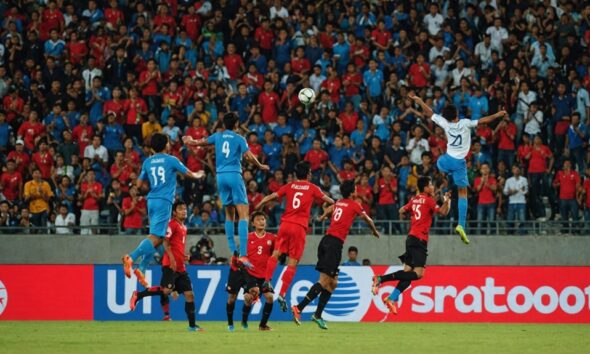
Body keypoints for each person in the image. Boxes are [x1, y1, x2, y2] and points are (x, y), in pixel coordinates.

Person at [408, 92, 506, 243]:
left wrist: (420, 101)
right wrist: (498, 114)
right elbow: (484, 120)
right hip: (459, 162)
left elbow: (430, 113)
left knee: (440, 163)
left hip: (445, 161)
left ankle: (446, 184)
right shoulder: (465, 123)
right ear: (457, 114)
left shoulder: (445, 124)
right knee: (463, 193)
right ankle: (461, 225)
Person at [183, 112, 269, 269]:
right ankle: (243, 255)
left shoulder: (218, 135)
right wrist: (260, 166)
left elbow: (201, 142)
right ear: (236, 124)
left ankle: (233, 252)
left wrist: (190, 140)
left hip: (220, 177)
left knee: (229, 214)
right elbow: (249, 156)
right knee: (243, 214)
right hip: (234, 175)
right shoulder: (239, 138)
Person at [291, 180, 379, 329]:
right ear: (352, 192)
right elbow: (368, 219)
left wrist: (323, 216)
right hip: (334, 245)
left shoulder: (339, 202)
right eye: (355, 189)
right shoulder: (354, 204)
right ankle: (299, 307)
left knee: (333, 283)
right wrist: (374, 230)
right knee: (325, 281)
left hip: (326, 241)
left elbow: (331, 208)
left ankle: (317, 315)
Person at [122, 133, 204, 287]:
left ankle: (142, 268)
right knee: (158, 238)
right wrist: (198, 174)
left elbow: (138, 185)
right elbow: (188, 173)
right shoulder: (171, 160)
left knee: (155, 236)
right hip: (164, 201)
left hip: (151, 201)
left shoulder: (147, 162)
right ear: (166, 145)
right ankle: (131, 258)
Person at [255, 161, 334, 311]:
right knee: (292, 262)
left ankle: (266, 280)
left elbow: (271, 196)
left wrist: (260, 204)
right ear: (308, 174)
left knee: (276, 253)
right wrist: (328, 211)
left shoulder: (290, 186)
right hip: (299, 227)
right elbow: (330, 201)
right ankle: (282, 293)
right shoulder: (312, 188)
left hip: (285, 225)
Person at [371, 176, 451, 315]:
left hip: (410, 238)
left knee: (407, 274)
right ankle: (380, 279)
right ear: (425, 188)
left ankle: (391, 298)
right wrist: (447, 200)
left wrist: (413, 214)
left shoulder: (414, 200)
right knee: (418, 274)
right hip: (419, 240)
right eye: (430, 184)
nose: (432, 187)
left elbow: (401, 210)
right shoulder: (428, 200)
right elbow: (443, 212)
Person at [129, 201, 203, 332]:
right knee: (166, 291)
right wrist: (173, 258)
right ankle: (138, 295)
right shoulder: (172, 224)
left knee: (190, 295)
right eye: (180, 209)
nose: (184, 211)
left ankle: (192, 326)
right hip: (170, 264)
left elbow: (177, 245)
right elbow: (165, 241)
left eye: (185, 208)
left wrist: (183, 256)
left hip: (180, 267)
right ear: (174, 212)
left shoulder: (184, 227)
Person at [226, 211, 276, 332]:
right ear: (253, 223)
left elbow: (276, 254)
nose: (261, 222)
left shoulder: (272, 238)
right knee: (235, 297)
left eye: (263, 219)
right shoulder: (247, 238)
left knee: (269, 298)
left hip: (263, 275)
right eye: (258, 220)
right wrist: (243, 263)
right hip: (247, 272)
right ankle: (230, 323)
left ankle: (262, 325)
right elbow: (239, 256)